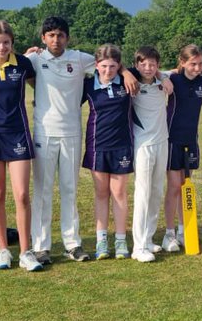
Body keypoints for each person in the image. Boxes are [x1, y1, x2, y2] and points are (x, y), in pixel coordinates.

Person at [24, 17, 138, 263]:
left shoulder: (79, 58)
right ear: (43, 38)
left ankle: (72, 244)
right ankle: (41, 246)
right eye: (51, 35)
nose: (56, 39)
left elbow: (108, 62)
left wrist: (127, 71)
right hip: (44, 132)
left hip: (72, 133)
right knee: (43, 190)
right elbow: (14, 69)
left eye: (61, 35)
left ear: (67, 37)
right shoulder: (34, 59)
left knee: (70, 189)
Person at [0, 20, 39, 272]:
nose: (1, 47)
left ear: (12, 43)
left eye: (6, 42)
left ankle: (26, 251)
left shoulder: (23, 64)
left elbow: (41, 83)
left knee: (22, 195)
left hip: (18, 134)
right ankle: (3, 250)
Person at [82, 44, 135, 259]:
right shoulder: (87, 85)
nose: (107, 71)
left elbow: (152, 68)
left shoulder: (127, 81)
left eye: (113, 66)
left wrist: (126, 72)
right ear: (96, 65)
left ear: (119, 66)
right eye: (104, 66)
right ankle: (101, 240)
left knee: (120, 193)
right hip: (97, 145)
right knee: (102, 193)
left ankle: (121, 240)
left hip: (122, 145)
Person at [161, 44, 202, 252]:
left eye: (200, 64)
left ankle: (184, 230)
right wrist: (164, 76)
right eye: (192, 64)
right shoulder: (172, 79)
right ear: (182, 62)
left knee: (185, 186)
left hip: (191, 141)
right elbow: (150, 70)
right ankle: (169, 234)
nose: (197, 68)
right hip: (172, 139)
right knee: (174, 186)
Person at [129, 46, 172, 263]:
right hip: (142, 145)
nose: (148, 67)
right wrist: (127, 72)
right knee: (143, 193)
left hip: (161, 142)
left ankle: (148, 239)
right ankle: (138, 247)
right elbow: (114, 66)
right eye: (143, 63)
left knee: (156, 191)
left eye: (152, 64)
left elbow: (183, 70)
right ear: (136, 65)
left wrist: (163, 76)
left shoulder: (161, 82)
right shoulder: (131, 83)